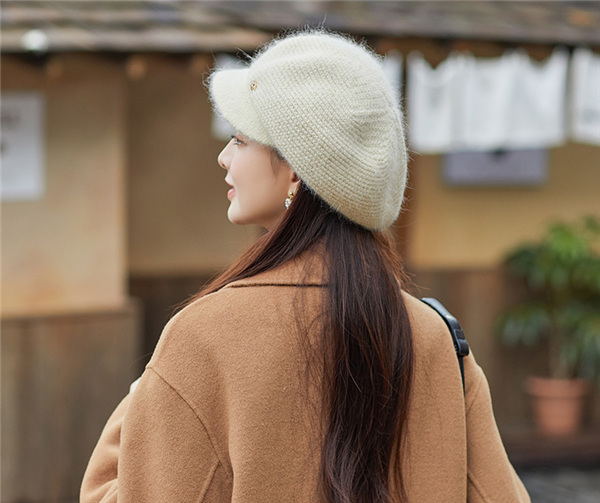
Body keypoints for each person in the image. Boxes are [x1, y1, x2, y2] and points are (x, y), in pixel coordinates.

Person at [81, 30, 530, 503]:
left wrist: (146, 393)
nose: (224, 157)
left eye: (240, 139)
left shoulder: (203, 338)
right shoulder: (435, 339)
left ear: (297, 168)